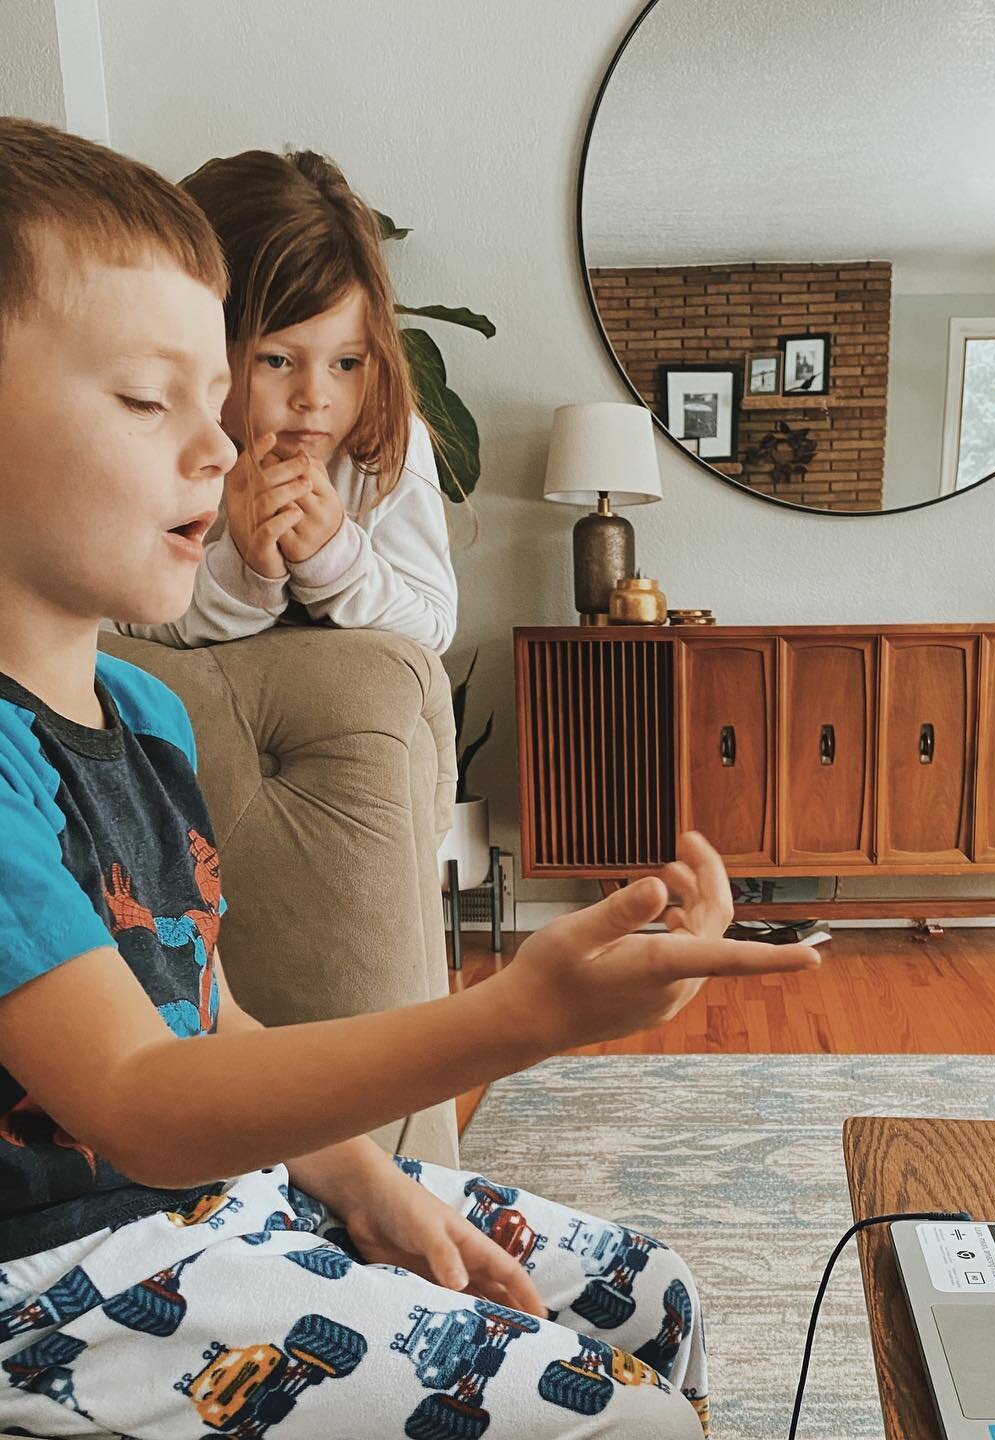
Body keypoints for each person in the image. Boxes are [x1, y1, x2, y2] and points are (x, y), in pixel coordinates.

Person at [0, 117, 821, 1438]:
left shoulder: (142, 713)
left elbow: (210, 1023)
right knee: (631, 1421)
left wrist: (360, 1176)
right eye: (151, 399)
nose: (220, 447)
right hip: (62, 1286)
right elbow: (139, 1105)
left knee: (649, 1298)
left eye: (216, 398)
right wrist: (511, 1019)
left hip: (229, 1198)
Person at [113, 146, 459, 654]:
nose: (315, 398)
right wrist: (244, 573)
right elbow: (113, 620)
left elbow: (433, 626)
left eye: (346, 364)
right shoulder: (156, 444)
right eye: (276, 361)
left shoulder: (384, 443)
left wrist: (334, 559)